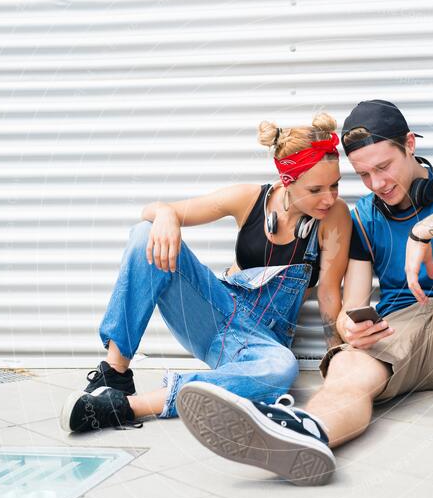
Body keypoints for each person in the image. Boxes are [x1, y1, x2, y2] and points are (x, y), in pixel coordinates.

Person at [175, 100, 433, 486]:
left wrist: (424, 230)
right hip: (400, 333)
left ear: (409, 144)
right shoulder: (364, 216)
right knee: (345, 370)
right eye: (363, 174)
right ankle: (305, 432)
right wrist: (350, 326)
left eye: (384, 167)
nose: (377, 183)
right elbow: (354, 305)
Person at [59, 113, 351, 434]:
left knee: (282, 370)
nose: (330, 197)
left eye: (335, 185)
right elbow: (150, 211)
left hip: (263, 342)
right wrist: (167, 215)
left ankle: (122, 407)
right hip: (217, 311)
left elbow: (328, 294)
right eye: (316, 189)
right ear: (287, 180)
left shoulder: (335, 216)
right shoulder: (249, 199)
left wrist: (337, 361)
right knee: (146, 233)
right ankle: (114, 375)